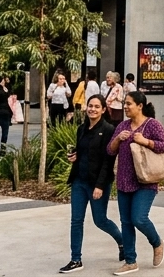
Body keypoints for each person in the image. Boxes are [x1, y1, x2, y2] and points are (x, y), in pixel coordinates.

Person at [107, 90, 164, 273]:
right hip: (124, 180)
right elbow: (110, 150)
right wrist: (118, 139)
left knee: (139, 218)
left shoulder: (152, 125)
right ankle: (130, 261)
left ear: (140, 106)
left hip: (146, 181)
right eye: (125, 103)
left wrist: (145, 141)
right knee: (126, 222)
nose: (125, 107)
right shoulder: (122, 126)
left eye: (129, 104)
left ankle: (157, 242)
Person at [59, 94, 123, 274]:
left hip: (97, 183)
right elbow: (84, 151)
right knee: (76, 221)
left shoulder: (109, 129)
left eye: (96, 106)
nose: (92, 109)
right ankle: (76, 259)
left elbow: (108, 161)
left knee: (100, 220)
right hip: (79, 181)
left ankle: (122, 241)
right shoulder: (82, 128)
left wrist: (100, 186)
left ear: (103, 110)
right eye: (90, 106)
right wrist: (75, 156)